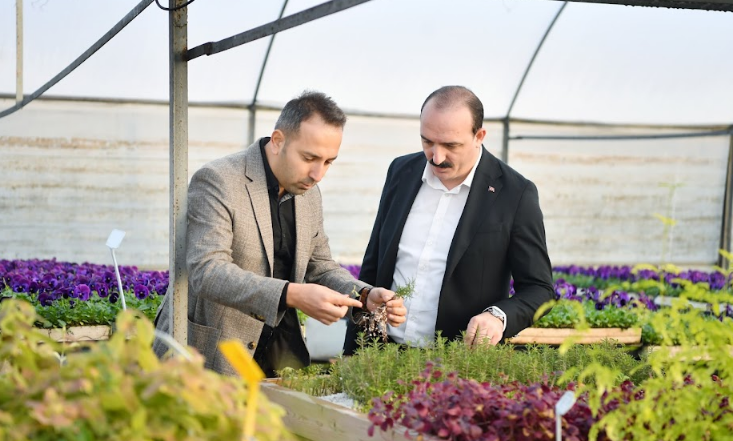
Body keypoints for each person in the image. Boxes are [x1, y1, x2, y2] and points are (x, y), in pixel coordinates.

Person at [153, 91, 406, 377]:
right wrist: (292, 294)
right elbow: (207, 271)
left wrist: (363, 296)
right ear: (278, 141)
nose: (318, 174)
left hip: (280, 354)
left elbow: (319, 266)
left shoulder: (309, 193)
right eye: (309, 157)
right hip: (212, 357)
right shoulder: (218, 179)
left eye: (328, 161)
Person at [344, 86, 554, 354]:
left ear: (479, 136)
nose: (436, 157)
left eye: (450, 145)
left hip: (455, 360)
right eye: (427, 141)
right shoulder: (401, 171)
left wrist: (498, 316)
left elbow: (540, 289)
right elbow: (374, 260)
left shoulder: (515, 194)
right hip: (379, 353)